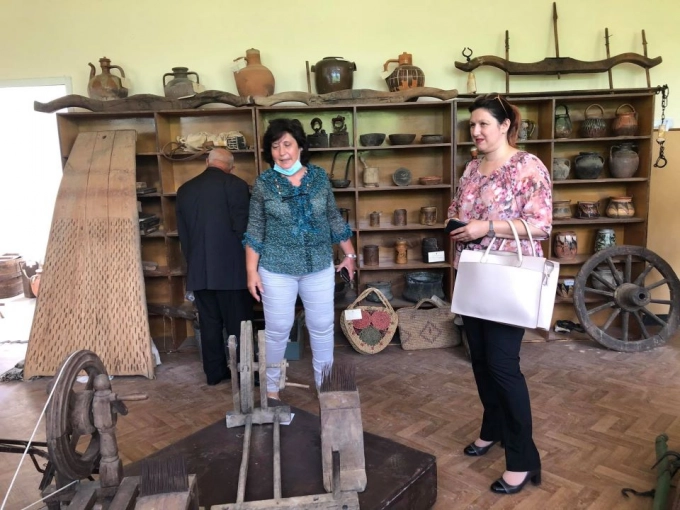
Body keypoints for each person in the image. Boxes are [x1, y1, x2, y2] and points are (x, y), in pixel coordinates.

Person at [447, 93, 552, 495]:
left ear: (505, 125)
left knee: (503, 367)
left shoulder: (528, 166)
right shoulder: (472, 167)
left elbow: (541, 225)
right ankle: (492, 428)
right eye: (472, 125)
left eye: (483, 124)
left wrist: (485, 227)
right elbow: (459, 207)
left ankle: (523, 459)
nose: (475, 131)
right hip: (475, 274)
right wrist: (456, 222)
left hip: (508, 278)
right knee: (480, 360)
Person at [244, 118, 356, 400]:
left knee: (322, 328)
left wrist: (350, 254)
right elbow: (255, 230)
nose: (282, 152)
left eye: (287, 144)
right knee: (278, 330)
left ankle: (325, 386)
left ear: (300, 147)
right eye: (275, 146)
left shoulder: (318, 178)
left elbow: (333, 218)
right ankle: (271, 390)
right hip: (276, 269)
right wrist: (251, 271)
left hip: (318, 266)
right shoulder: (264, 184)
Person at [176, 148, 253, 386]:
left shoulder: (185, 189)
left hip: (199, 271)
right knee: (239, 325)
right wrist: (252, 265)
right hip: (232, 271)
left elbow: (184, 235)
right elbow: (243, 230)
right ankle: (245, 375)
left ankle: (214, 373)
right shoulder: (236, 185)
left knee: (209, 325)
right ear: (231, 167)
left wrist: (194, 263)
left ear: (207, 162)